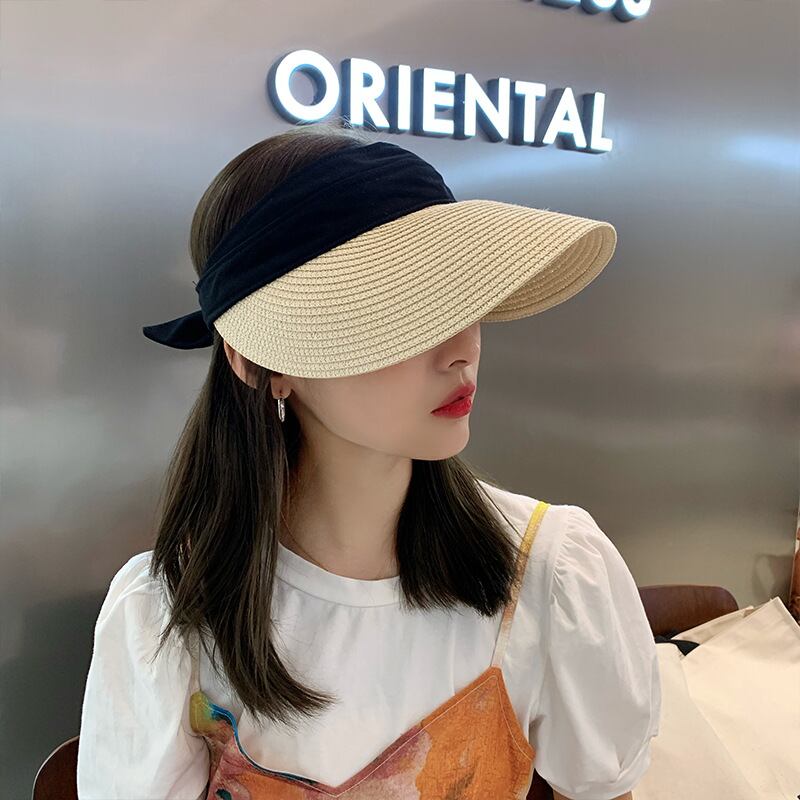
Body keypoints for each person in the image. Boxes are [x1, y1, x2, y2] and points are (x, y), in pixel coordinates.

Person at [76, 120, 661, 800]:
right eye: (401, 311)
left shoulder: (549, 572)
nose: (461, 349)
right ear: (261, 364)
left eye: (460, 296)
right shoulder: (169, 615)